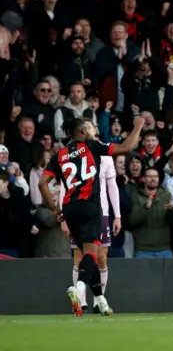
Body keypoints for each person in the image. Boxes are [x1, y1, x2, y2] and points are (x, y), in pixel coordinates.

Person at [38, 115, 144, 316]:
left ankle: (100, 300)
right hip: (90, 205)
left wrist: (53, 209)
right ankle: (78, 289)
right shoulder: (91, 146)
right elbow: (126, 147)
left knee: (86, 255)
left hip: (69, 208)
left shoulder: (59, 155)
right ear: (82, 132)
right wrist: (137, 126)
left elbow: (42, 183)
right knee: (92, 253)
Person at [61, 120, 122, 314]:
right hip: (80, 208)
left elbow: (112, 185)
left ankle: (98, 301)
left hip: (100, 210)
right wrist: (62, 217)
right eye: (88, 126)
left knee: (100, 256)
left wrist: (117, 214)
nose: (91, 129)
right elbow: (64, 185)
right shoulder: (71, 153)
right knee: (80, 255)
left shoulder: (102, 153)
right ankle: (81, 301)